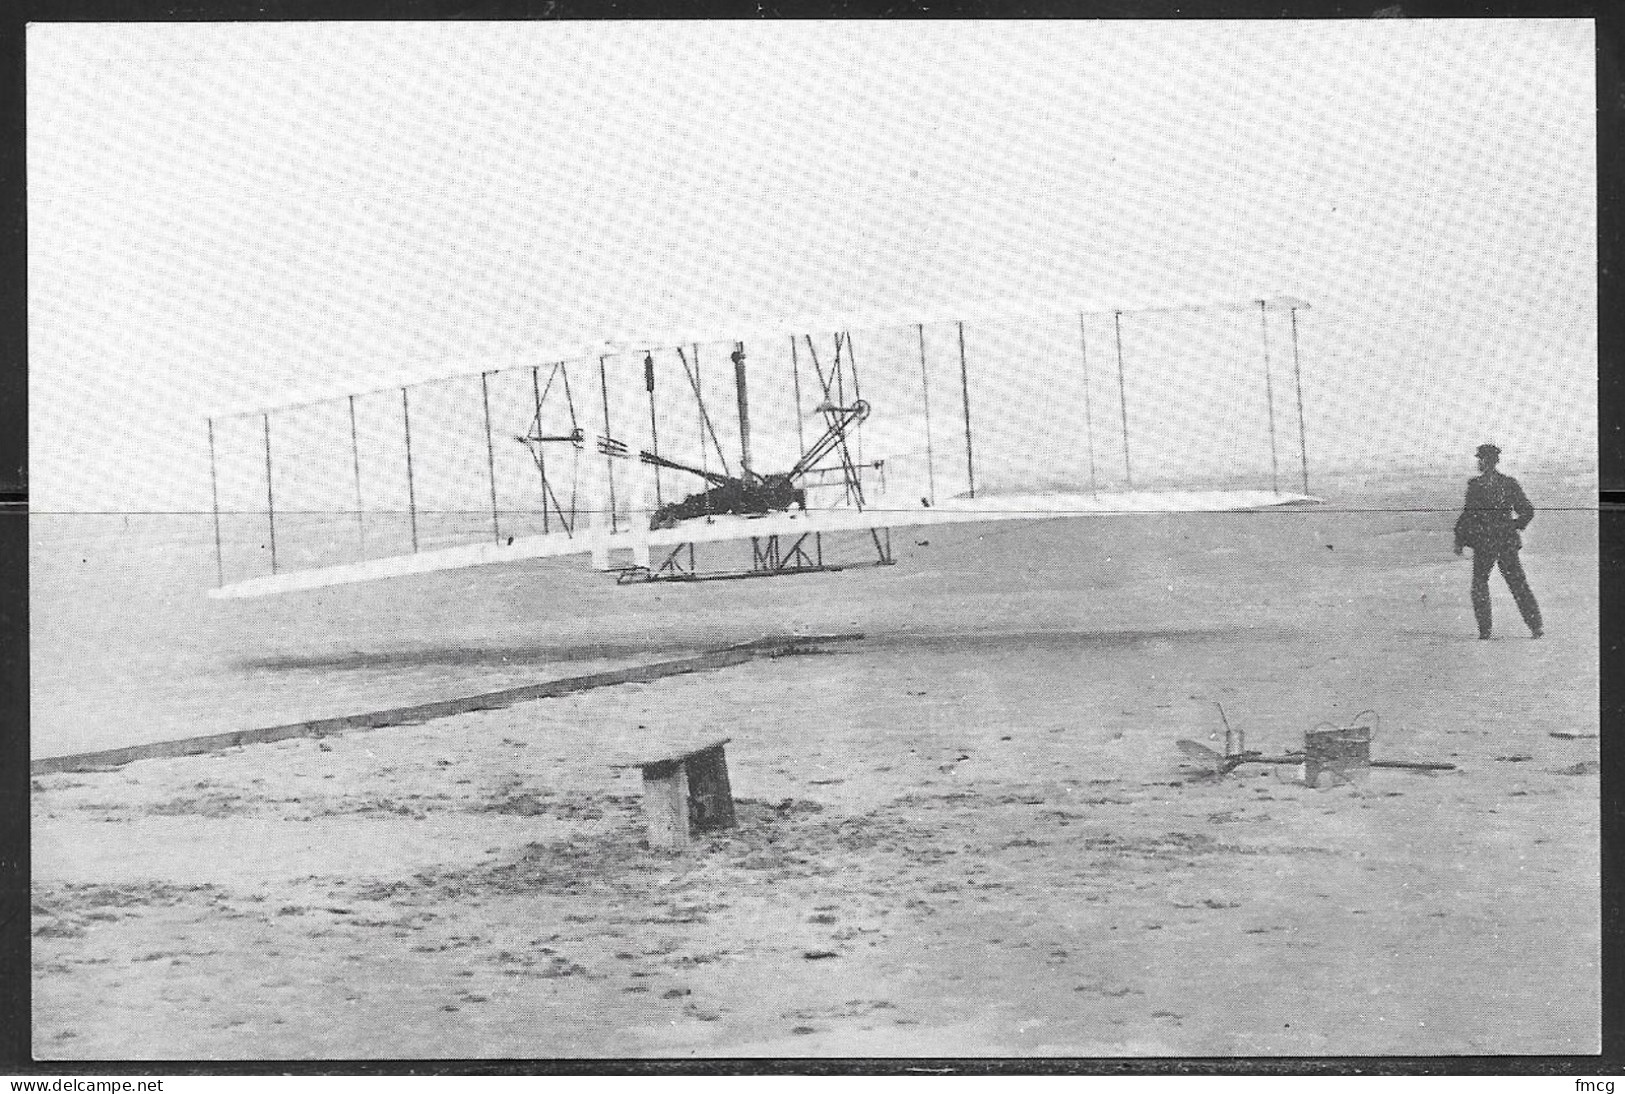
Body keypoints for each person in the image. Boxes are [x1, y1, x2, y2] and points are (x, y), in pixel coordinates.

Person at [1453, 443, 1543, 639]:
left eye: (1480, 459)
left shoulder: (1477, 486)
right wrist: (1513, 525)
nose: (1478, 462)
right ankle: (1536, 627)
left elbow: (1467, 515)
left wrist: (1460, 539)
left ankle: (1486, 632)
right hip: (1502, 542)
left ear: (1487, 461)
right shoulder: (1507, 484)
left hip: (1487, 543)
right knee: (1517, 585)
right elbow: (1527, 511)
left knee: (1481, 586)